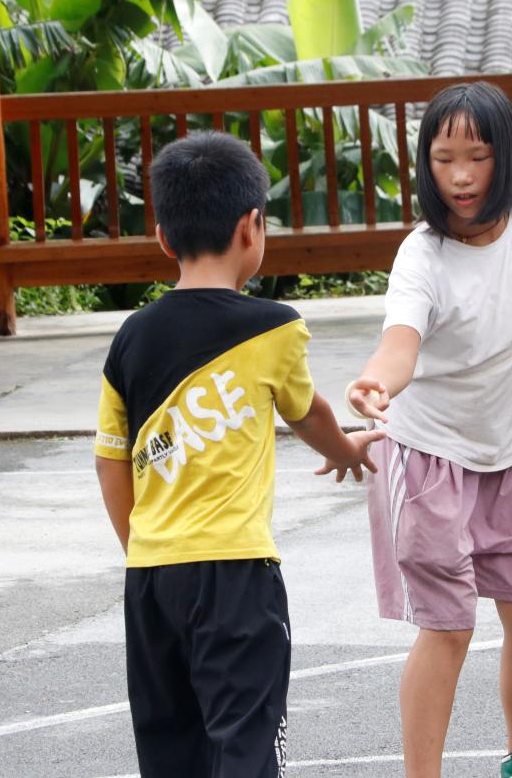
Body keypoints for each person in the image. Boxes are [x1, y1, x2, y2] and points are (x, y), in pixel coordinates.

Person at [94, 130, 384, 777]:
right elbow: (309, 412)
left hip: (152, 577)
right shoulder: (273, 326)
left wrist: (143, 546)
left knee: (171, 748)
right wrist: (345, 451)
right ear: (253, 227)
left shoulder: (130, 338)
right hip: (236, 576)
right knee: (246, 745)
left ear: (163, 236)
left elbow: (110, 458)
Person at [342, 82, 512, 778]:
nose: (458, 175)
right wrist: (374, 382)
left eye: (476, 156)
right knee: (448, 627)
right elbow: (400, 345)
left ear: (504, 157)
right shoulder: (422, 256)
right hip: (425, 461)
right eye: (442, 157)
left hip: (502, 457)